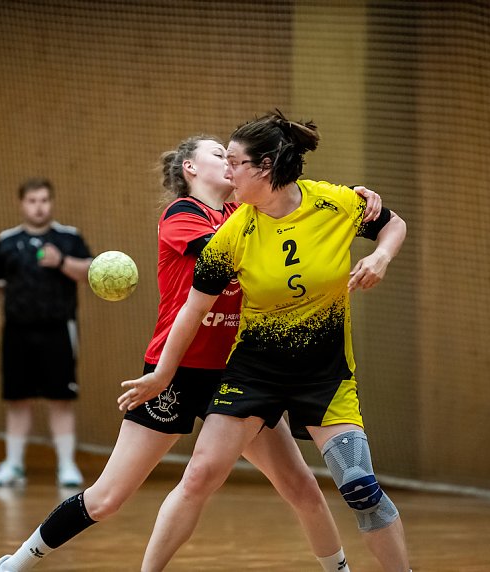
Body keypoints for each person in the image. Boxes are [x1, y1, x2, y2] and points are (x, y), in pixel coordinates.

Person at [0, 136, 383, 572]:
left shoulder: (246, 214)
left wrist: (352, 204)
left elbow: (291, 217)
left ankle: (338, 569)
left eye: (235, 159)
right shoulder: (182, 215)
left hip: (237, 376)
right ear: (190, 169)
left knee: (301, 486)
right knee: (108, 498)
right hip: (172, 374)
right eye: (218, 155)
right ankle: (16, 563)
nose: (230, 164)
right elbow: (226, 254)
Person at [118, 111, 411, 571]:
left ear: (267, 167)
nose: (228, 172)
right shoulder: (233, 233)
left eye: (235, 163)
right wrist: (162, 374)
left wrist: (381, 256)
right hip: (254, 373)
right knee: (198, 475)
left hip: (325, 376)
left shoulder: (334, 204)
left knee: (360, 490)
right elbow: (192, 310)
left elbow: (394, 224)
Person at [0, 178, 93, 488]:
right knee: (17, 400)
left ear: (51, 202)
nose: (38, 206)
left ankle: (66, 466)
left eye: (43, 200)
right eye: (32, 201)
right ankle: (13, 465)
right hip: (17, 331)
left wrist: (62, 261)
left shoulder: (69, 238)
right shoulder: (7, 242)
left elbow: (90, 272)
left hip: (58, 329)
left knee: (60, 399)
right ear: (22, 204)